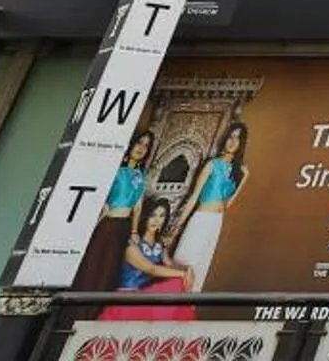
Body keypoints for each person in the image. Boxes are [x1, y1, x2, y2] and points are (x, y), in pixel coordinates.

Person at [75, 132, 154, 292]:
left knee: (109, 272)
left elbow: (137, 207)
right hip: (107, 225)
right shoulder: (115, 169)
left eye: (146, 146)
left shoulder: (141, 175)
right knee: (92, 267)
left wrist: (133, 231)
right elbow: (102, 202)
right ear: (131, 143)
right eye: (139, 142)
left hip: (123, 228)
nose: (141, 148)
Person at [175, 118, 248, 288]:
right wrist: (178, 225)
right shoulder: (212, 164)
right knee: (184, 262)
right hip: (200, 219)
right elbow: (194, 197)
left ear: (241, 143)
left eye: (237, 138)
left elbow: (228, 204)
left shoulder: (243, 172)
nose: (232, 141)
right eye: (230, 137)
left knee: (201, 267)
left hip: (216, 222)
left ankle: (184, 311)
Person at [106, 196, 196, 321]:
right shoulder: (132, 244)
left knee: (179, 281)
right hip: (127, 298)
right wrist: (182, 273)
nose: (157, 220)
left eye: (161, 216)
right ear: (145, 217)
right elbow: (151, 269)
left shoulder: (159, 245)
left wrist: (187, 269)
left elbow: (169, 265)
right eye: (153, 215)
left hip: (145, 296)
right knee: (178, 279)